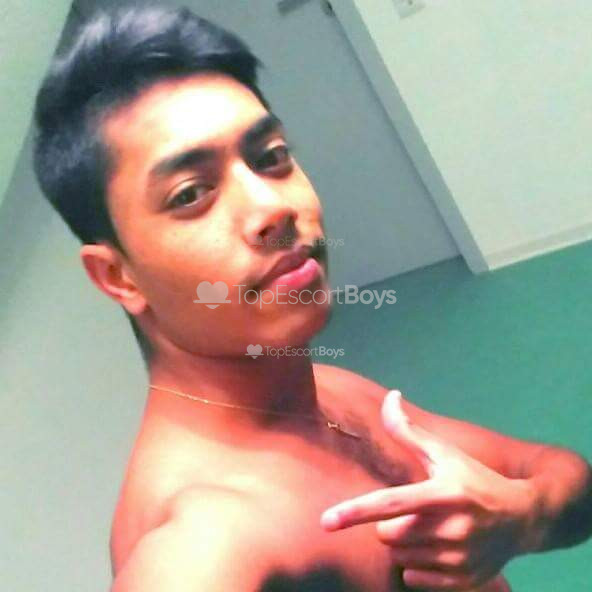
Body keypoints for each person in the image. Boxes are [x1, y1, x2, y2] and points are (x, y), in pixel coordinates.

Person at [32, 4, 592, 591]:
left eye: (270, 158)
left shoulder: (331, 394)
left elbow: (555, 472)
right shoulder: (201, 546)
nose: (272, 207)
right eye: (191, 193)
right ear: (118, 277)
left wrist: (523, 516)